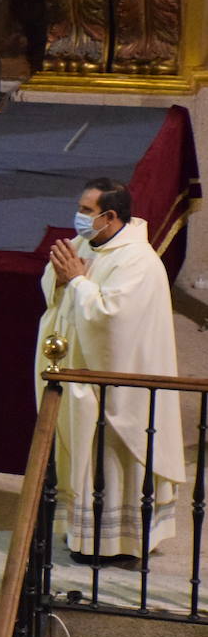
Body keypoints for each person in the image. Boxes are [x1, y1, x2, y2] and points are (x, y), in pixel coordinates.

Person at [36, 178, 184, 564]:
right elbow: (57, 293)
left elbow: (112, 323)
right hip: (80, 376)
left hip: (119, 390)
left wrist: (77, 281)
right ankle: (84, 534)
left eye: (86, 211)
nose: (79, 218)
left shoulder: (139, 261)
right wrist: (59, 277)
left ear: (111, 216)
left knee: (111, 462)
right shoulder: (86, 243)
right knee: (82, 458)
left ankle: (118, 542)